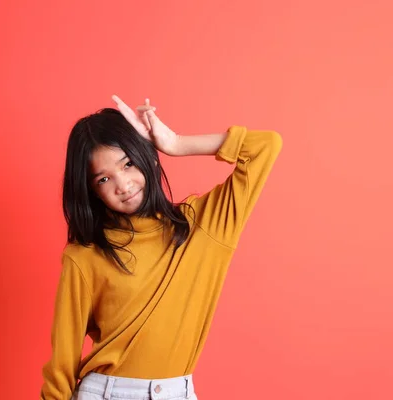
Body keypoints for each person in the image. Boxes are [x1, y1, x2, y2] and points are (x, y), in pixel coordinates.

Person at [41, 95, 282, 399]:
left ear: (148, 157)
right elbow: (62, 361)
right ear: (92, 192)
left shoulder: (204, 225)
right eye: (104, 178)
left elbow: (265, 146)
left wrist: (175, 144)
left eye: (128, 163)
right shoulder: (84, 256)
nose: (123, 184)